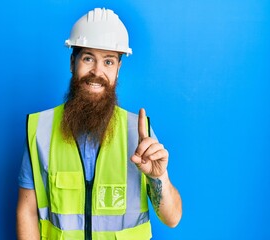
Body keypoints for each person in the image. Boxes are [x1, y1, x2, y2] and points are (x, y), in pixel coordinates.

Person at [16, 8, 182, 240]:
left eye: (108, 61)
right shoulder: (40, 129)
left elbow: (172, 218)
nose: (97, 71)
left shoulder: (139, 133)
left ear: (118, 69)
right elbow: (27, 211)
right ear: (72, 63)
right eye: (88, 58)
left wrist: (159, 177)